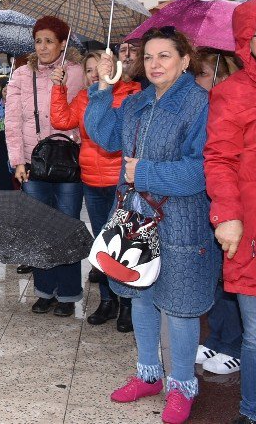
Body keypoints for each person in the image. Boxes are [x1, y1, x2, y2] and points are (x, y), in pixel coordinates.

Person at [86, 27, 217, 424]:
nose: (154, 64)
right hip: (135, 218)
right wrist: (103, 88)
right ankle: (148, 374)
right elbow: (103, 135)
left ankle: (181, 386)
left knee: (179, 308)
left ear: (184, 59)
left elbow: (202, 171)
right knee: (140, 296)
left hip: (181, 222)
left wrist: (143, 172)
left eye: (164, 56)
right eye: (148, 57)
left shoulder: (200, 104)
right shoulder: (139, 100)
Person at [205, 0, 256, 424]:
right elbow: (219, 159)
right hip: (254, 228)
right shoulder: (231, 94)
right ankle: (255, 415)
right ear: (245, 41)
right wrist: (227, 216)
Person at [51, 52, 140, 330]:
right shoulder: (85, 97)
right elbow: (61, 120)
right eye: (89, 70)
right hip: (92, 180)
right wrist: (58, 86)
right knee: (103, 245)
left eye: (99, 68)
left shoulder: (132, 94)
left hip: (121, 182)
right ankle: (107, 300)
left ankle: (127, 303)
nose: (93, 74)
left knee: (124, 245)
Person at [5, 16, 85, 316]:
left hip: (67, 163)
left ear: (62, 44)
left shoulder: (74, 73)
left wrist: (62, 87)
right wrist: (17, 161)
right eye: (38, 41)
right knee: (38, 228)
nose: (43, 47)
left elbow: (79, 115)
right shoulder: (21, 75)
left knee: (66, 228)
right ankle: (44, 290)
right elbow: (12, 121)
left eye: (49, 41)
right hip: (33, 163)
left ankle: (66, 294)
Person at [191, 47, 243, 376]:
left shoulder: (234, 105)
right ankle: (219, 335)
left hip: (232, 205)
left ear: (221, 76)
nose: (195, 80)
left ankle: (233, 343)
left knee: (232, 278)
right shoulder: (203, 106)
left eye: (202, 73)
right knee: (215, 276)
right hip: (209, 202)